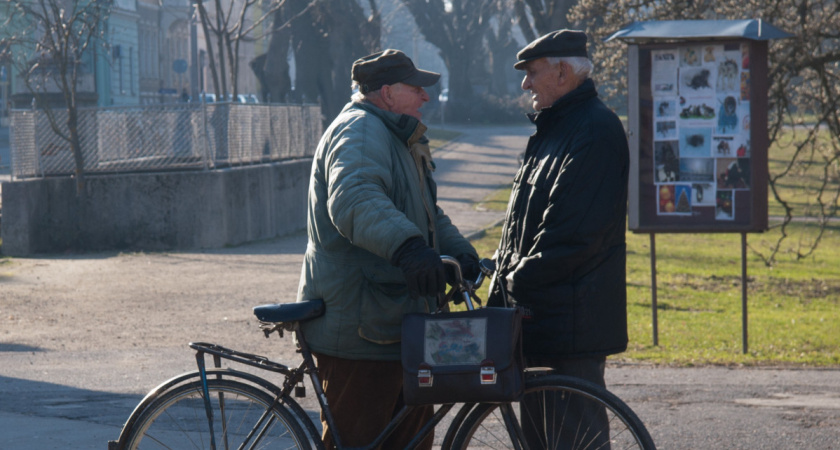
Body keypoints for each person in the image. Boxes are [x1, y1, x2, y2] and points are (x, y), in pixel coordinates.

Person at [296, 49, 479, 450]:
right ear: (387, 93)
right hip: (363, 329)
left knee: (407, 441)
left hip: (395, 323)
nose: (425, 97)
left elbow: (429, 214)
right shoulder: (360, 131)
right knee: (360, 441)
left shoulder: (397, 136)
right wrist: (410, 249)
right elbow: (354, 200)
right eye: (417, 88)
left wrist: (461, 254)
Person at [488, 29, 630, 447]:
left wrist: (512, 280)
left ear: (563, 72)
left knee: (570, 441)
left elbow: (572, 235)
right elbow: (524, 225)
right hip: (544, 320)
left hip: (570, 326)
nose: (525, 83)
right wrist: (499, 271)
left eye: (532, 72)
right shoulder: (555, 130)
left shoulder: (594, 131)